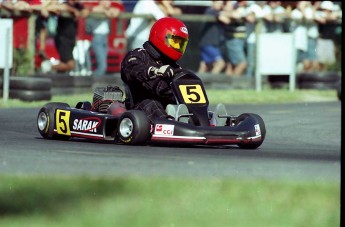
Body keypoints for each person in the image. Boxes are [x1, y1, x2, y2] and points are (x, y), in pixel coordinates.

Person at [121, 17, 189, 122]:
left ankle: (205, 120)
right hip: (140, 106)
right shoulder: (139, 55)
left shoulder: (174, 66)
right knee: (152, 104)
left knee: (187, 105)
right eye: (176, 42)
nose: (178, 47)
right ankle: (170, 123)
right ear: (161, 36)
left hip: (168, 104)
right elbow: (133, 70)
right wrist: (156, 70)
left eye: (181, 44)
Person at [41, 0, 88, 74]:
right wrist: (73, 10)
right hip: (62, 38)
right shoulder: (64, 4)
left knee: (64, 62)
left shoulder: (78, 5)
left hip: (71, 39)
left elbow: (86, 11)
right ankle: (48, 66)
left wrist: (80, 13)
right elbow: (62, 7)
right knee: (71, 64)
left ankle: (58, 77)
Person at [88, 0, 120, 76]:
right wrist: (106, 12)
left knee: (103, 63)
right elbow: (94, 10)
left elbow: (116, 12)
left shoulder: (109, 9)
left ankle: (97, 81)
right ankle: (94, 80)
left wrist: (108, 11)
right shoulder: (96, 8)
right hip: (97, 38)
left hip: (105, 38)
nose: (108, 2)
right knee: (102, 65)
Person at [197, 0, 226, 74]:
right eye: (218, 3)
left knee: (205, 66)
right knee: (220, 63)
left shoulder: (215, 12)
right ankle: (211, 83)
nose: (220, 5)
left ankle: (195, 83)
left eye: (221, 4)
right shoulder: (211, 11)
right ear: (213, 2)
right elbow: (226, 20)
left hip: (209, 43)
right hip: (208, 44)